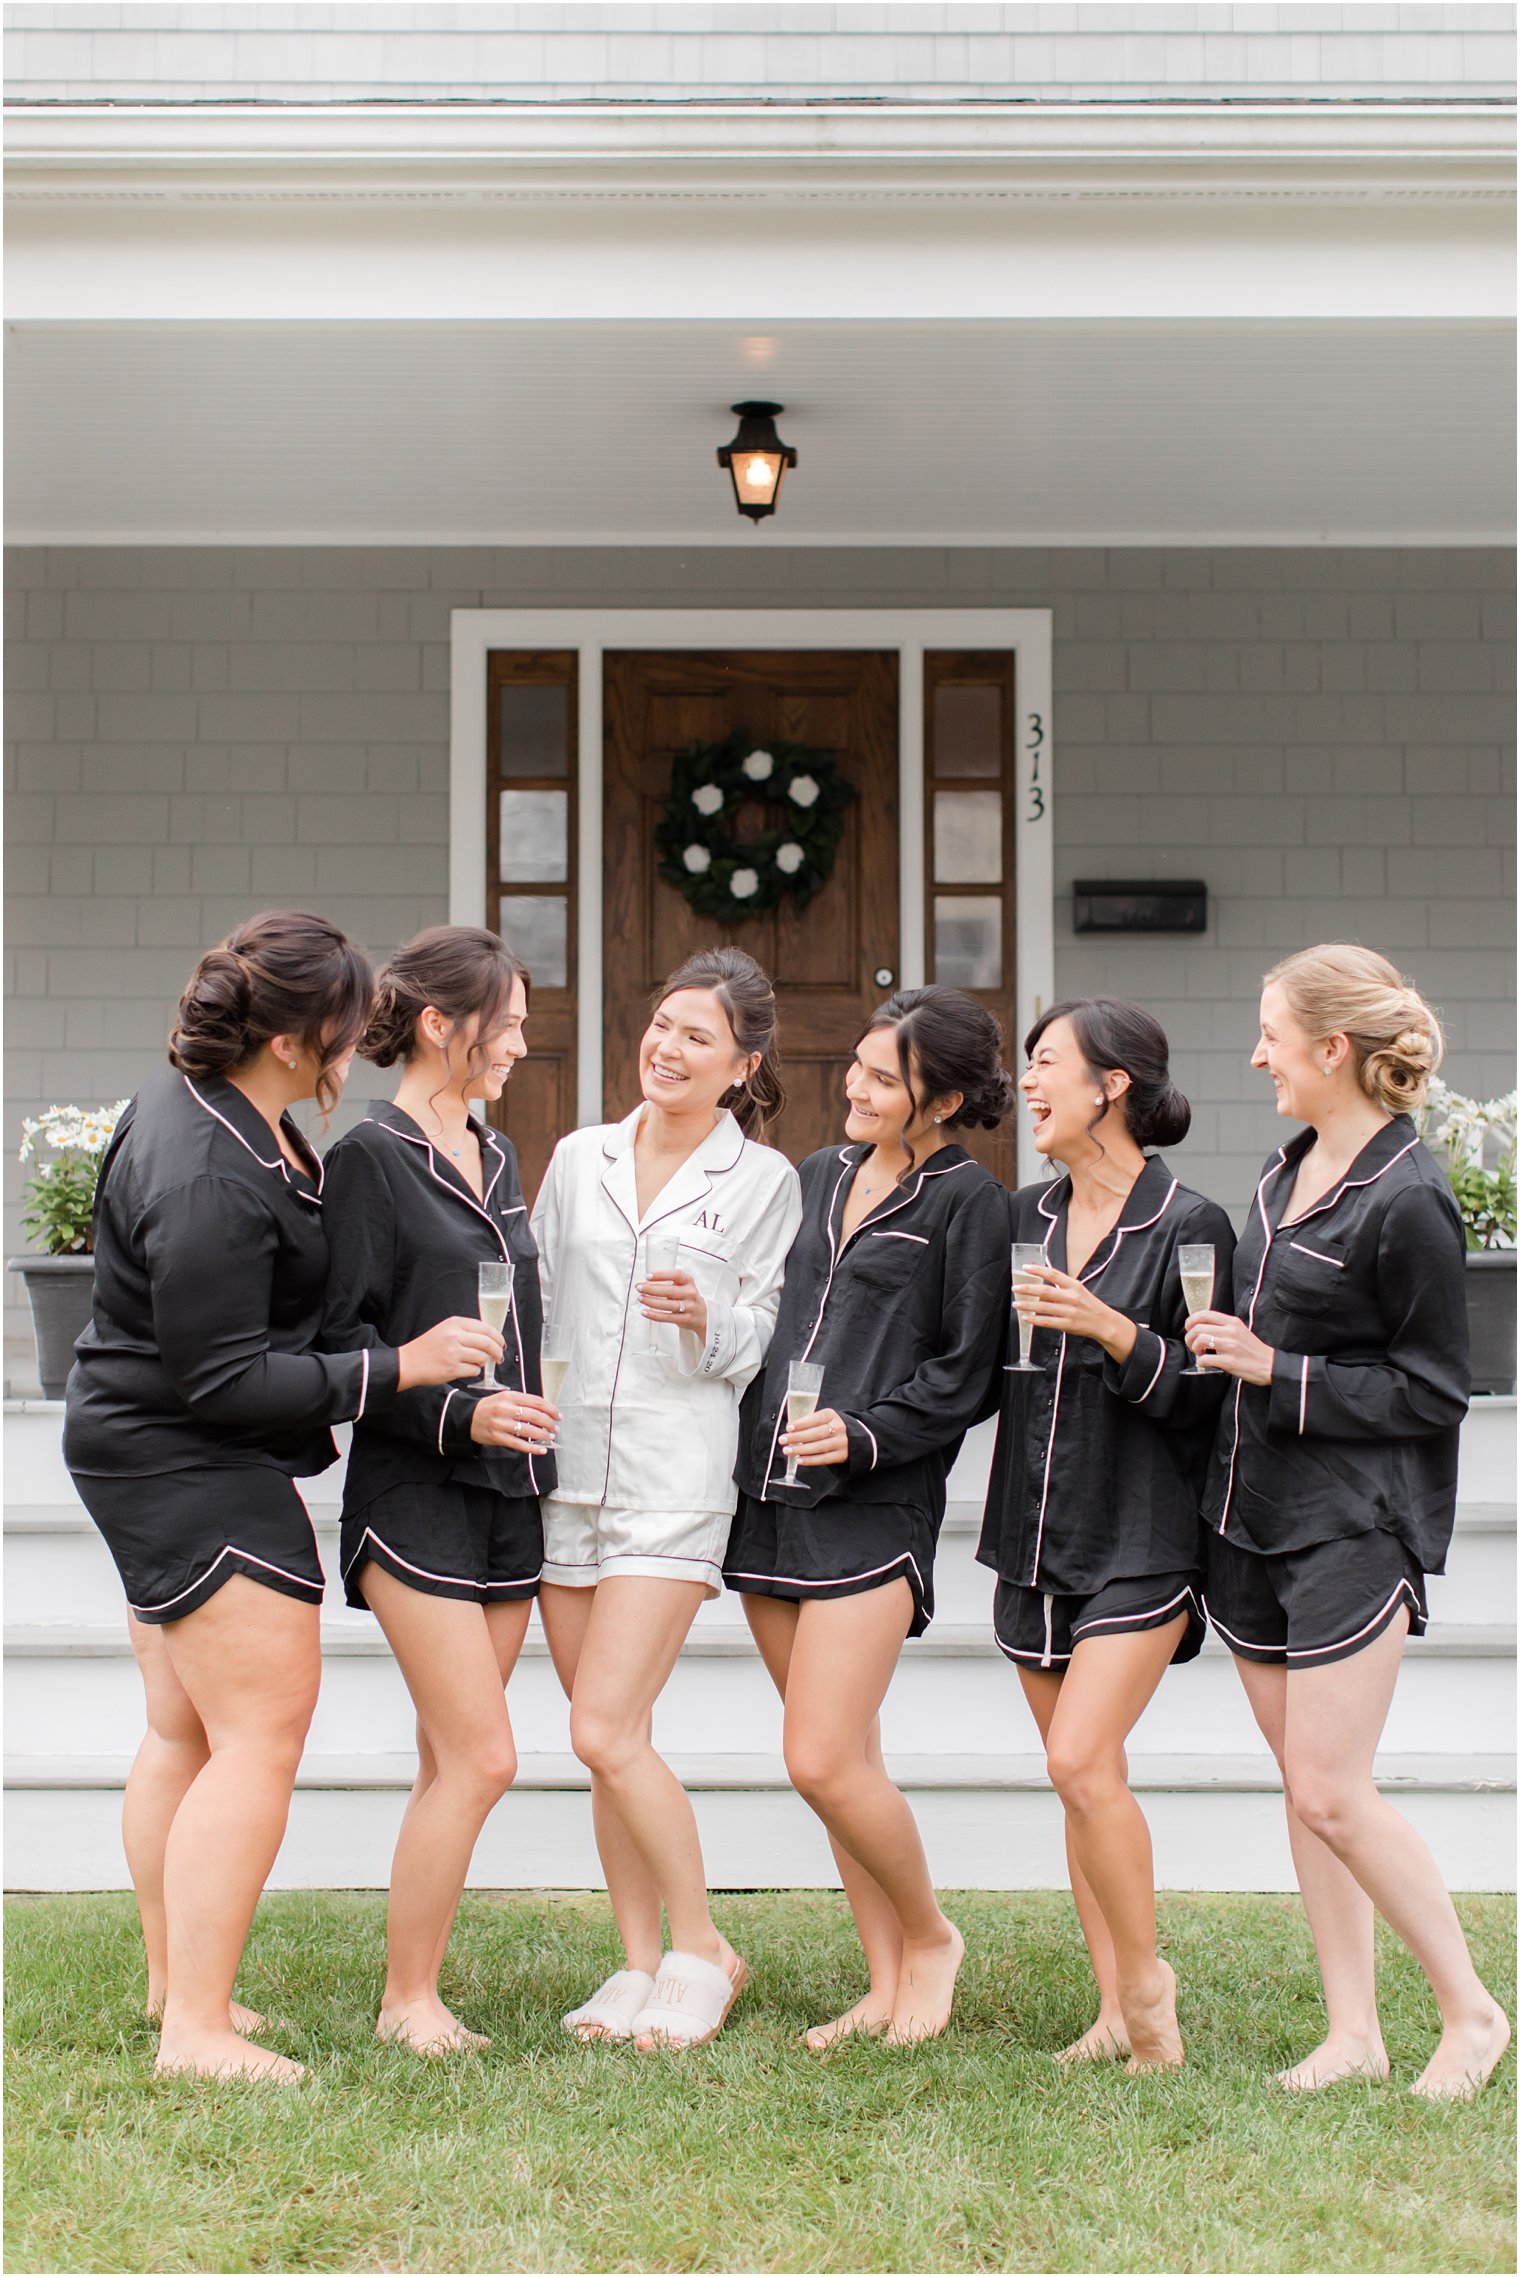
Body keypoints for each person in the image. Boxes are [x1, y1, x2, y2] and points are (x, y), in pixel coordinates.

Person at [62, 911, 501, 2084]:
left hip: (152, 1443)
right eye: (351, 1030)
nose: (362, 1046)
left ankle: (176, 1991)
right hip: (184, 1457)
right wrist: (398, 1365)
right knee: (258, 1736)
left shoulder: (214, 1106)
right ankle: (195, 2032)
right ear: (301, 1040)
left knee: (183, 1730)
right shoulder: (206, 1166)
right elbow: (222, 1378)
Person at [1187, 943, 1511, 2100]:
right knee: (1302, 1791)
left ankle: (1471, 2012)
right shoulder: (1280, 1177)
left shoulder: (1408, 1197)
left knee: (1331, 1787)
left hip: (1353, 1527)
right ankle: (1351, 2033)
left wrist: (1275, 1366)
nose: (1256, 1053)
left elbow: (1432, 1390)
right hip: (1252, 1519)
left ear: (1333, 1047)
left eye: (1271, 1032)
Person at [725, 987, 1012, 2048]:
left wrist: (863, 1433)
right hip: (765, 1497)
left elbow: (966, 1374)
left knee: (819, 1758)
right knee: (845, 1768)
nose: (853, 1086)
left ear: (938, 1099)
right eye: (855, 1065)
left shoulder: (969, 1206)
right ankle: (885, 1981)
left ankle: (930, 1938)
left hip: (872, 1504)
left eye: (882, 1077)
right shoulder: (817, 1174)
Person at [530, 947, 802, 2051]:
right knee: (612, 1739)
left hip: (672, 1480)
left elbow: (761, 1340)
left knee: (600, 1726)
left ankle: (703, 1948)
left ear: (741, 1065)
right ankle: (635, 1964)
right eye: (660, 1025)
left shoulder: (763, 1182)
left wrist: (708, 1317)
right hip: (565, 1476)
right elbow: (535, 1306)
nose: (667, 1047)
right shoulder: (577, 1156)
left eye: (697, 1036)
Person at [976, 998, 1235, 2071]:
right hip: (1030, 1533)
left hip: (1141, 1533)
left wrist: (1112, 1329)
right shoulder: (1022, 1216)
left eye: (1044, 1064)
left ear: (1110, 1084)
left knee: (1082, 1760)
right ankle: (1110, 2010)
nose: (1027, 1084)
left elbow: (1207, 1393)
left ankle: (1149, 1997)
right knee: (1079, 1779)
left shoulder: (1189, 1222)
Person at [320, 926, 558, 2056]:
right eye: (504, 1021)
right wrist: (457, 1411)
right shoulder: (367, 1161)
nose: (519, 1040)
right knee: (484, 1756)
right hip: (412, 1489)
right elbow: (345, 1342)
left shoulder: (499, 1154)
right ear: (439, 1025)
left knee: (445, 1760)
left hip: (509, 1492)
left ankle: (419, 1982)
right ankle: (406, 2003)